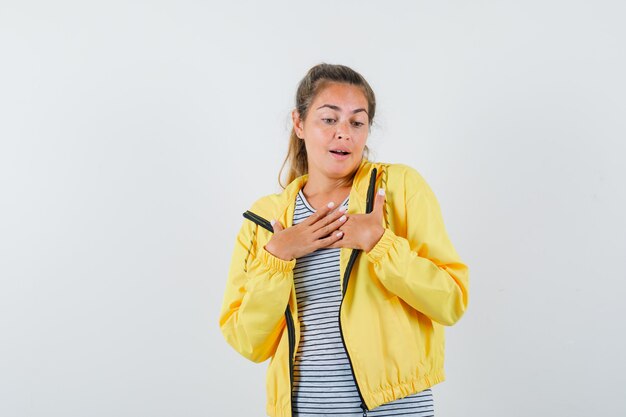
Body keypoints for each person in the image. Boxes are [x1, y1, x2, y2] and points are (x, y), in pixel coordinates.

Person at [219, 63, 469, 417]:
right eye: (329, 119)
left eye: (357, 122)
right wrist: (277, 257)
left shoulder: (398, 189)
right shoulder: (265, 220)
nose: (344, 134)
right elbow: (249, 342)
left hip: (394, 407)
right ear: (299, 123)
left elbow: (451, 302)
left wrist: (380, 243)